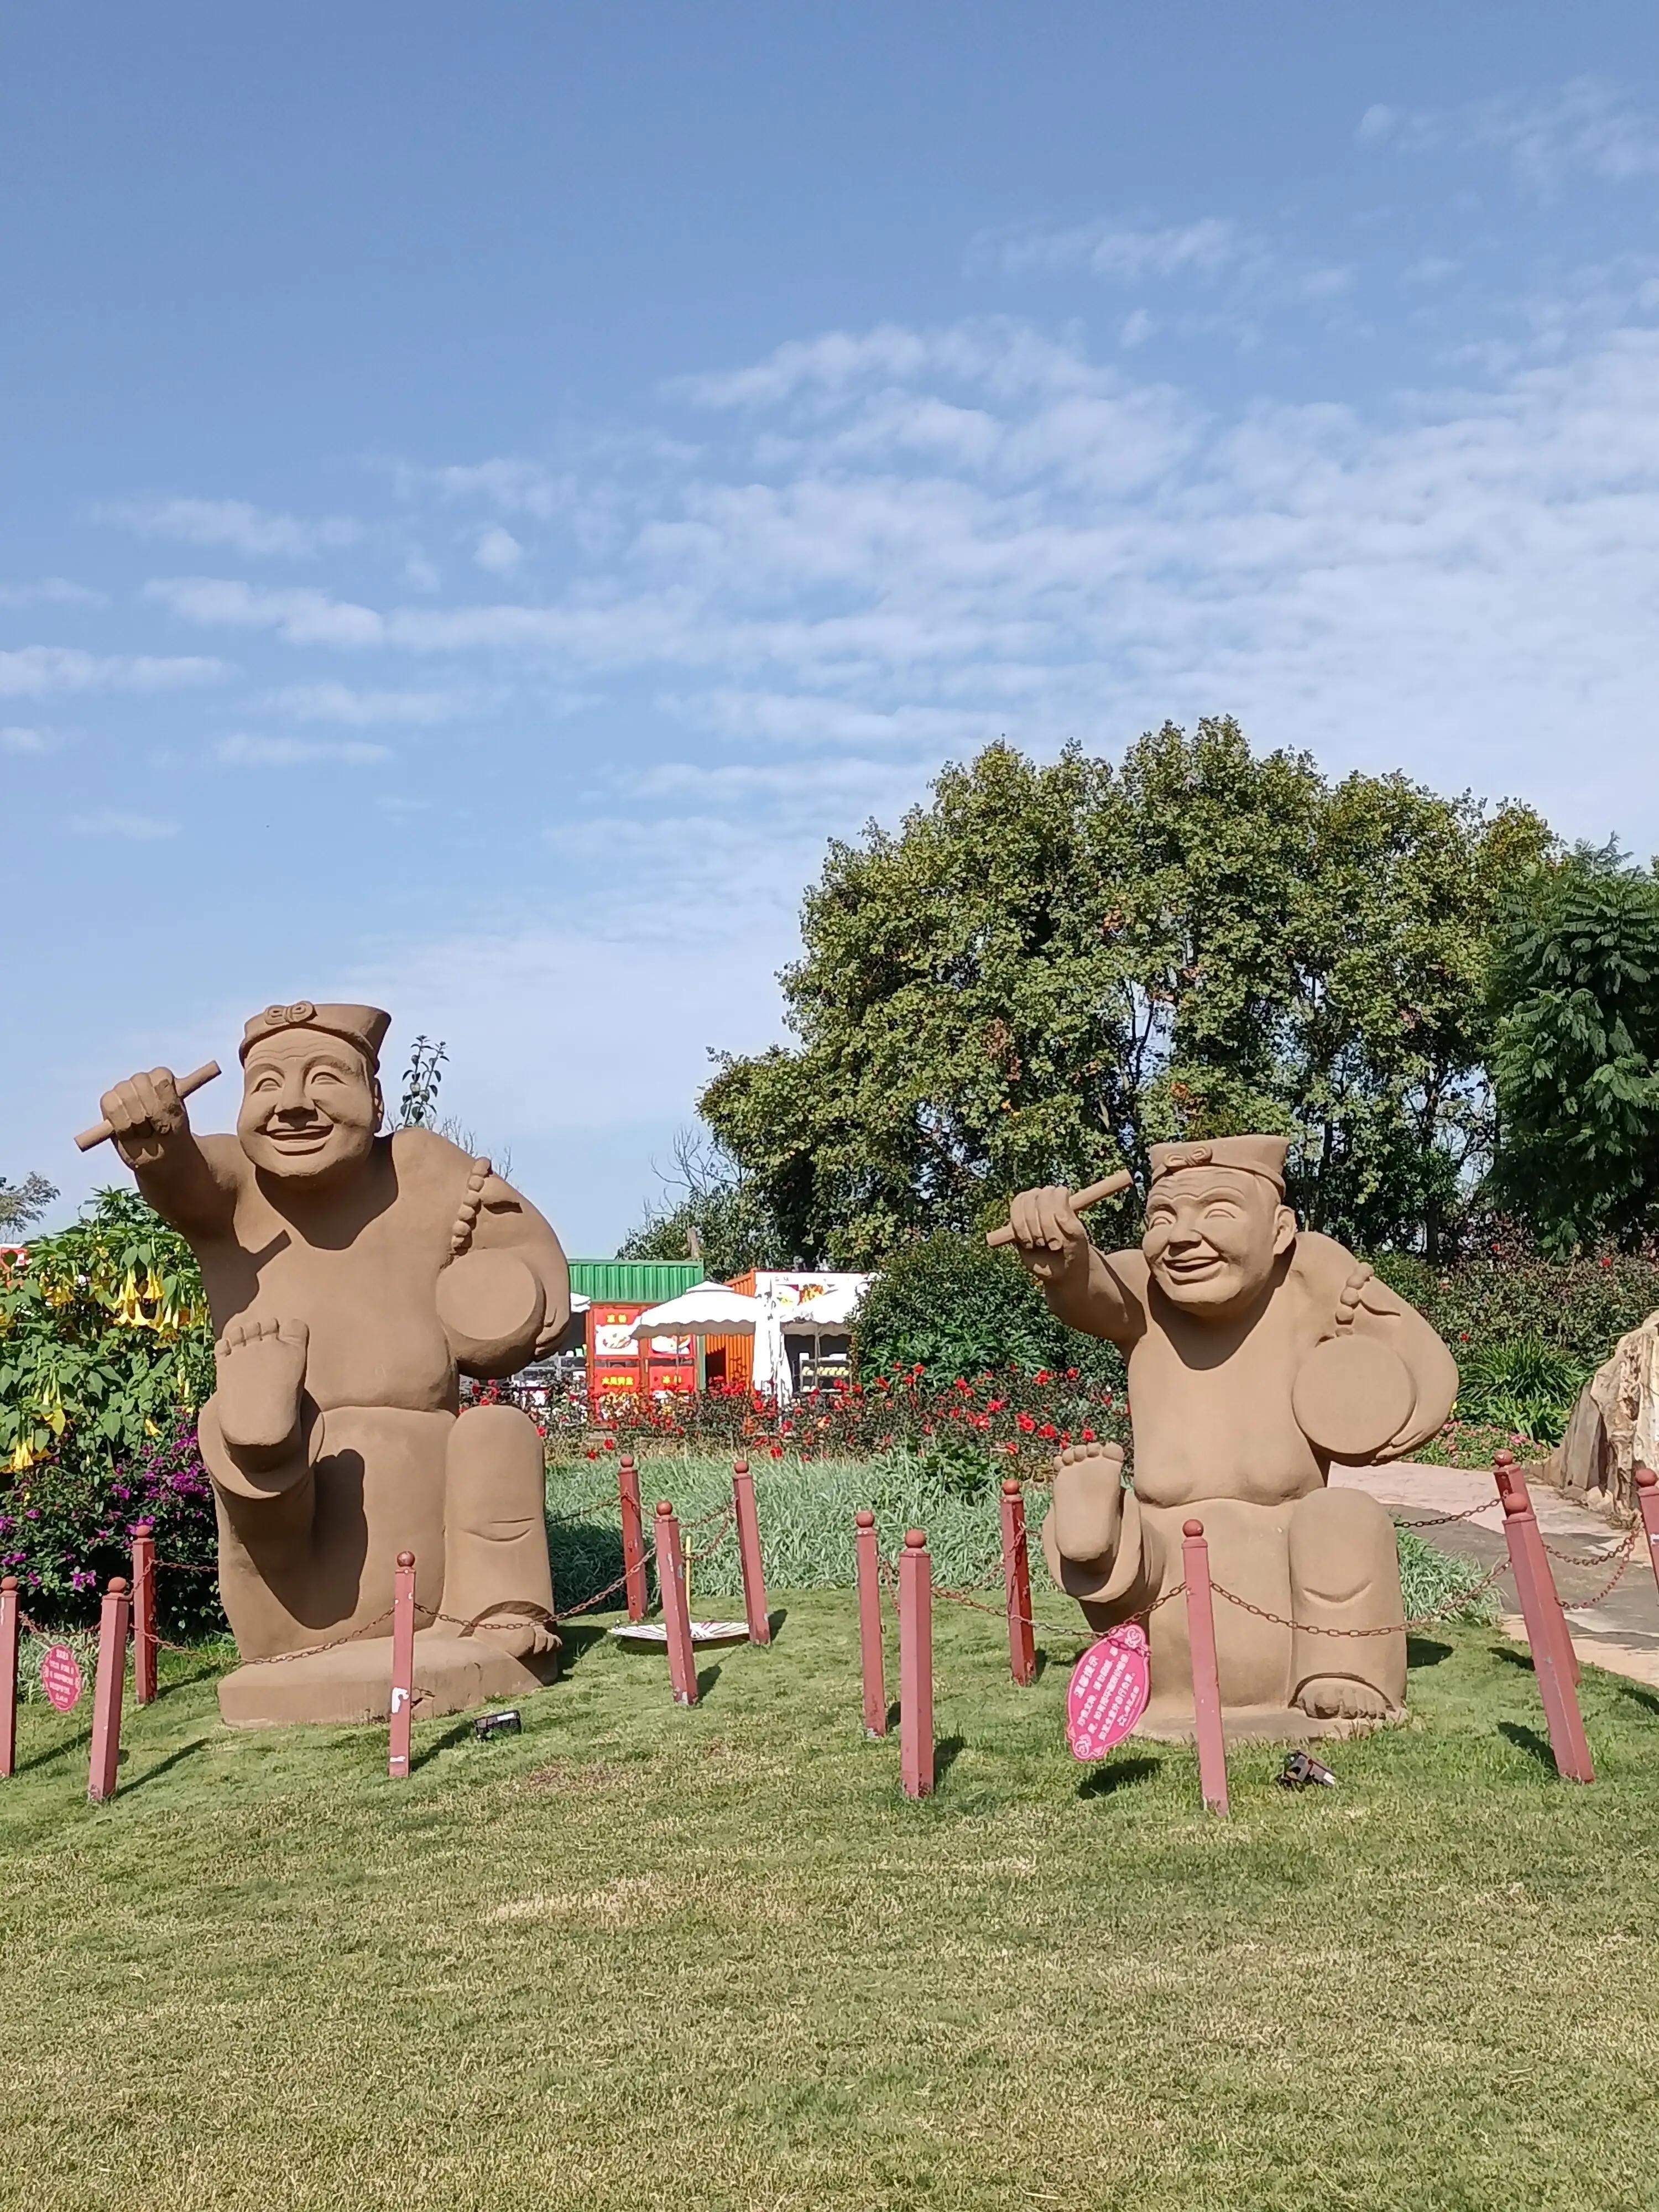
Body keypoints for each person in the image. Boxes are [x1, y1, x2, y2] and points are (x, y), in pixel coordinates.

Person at [97, 1000, 570, 1724]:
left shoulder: (422, 1170)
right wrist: (158, 1145)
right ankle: (265, 1435)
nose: (292, 1107)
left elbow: (526, 1256)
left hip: (453, 1560)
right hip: (297, 1552)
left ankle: (506, 1614)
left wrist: (509, 1300)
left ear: (375, 1098)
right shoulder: (235, 1186)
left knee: (495, 1431)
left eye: (325, 1079)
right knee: (243, 1433)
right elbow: (182, 1175)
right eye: (266, 1087)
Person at [1007, 1137, 1457, 1736]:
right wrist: (1062, 1250)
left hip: (1296, 1582)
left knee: (1344, 1515)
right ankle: (1100, 1542)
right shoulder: (1144, 1290)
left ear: (1278, 1232)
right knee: (1121, 1538)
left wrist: (1374, 1406)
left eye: (1216, 1212)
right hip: (1164, 1576)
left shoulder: (1309, 1274)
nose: (1182, 1236)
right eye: (1162, 1218)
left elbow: (1424, 1365)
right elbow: (1088, 1288)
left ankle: (1348, 1673)